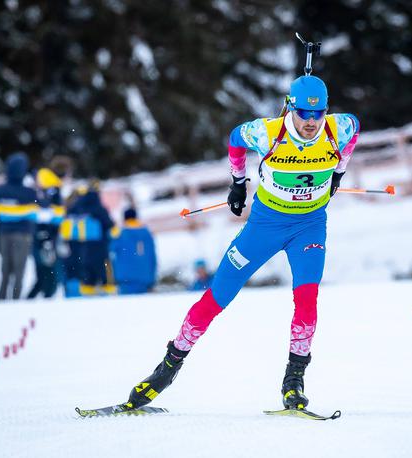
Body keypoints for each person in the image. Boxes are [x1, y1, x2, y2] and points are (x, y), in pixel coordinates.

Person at [114, 74, 360, 413]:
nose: (311, 122)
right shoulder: (267, 133)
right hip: (265, 226)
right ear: (291, 107)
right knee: (219, 295)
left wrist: (338, 174)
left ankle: (294, 381)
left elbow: (354, 130)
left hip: (309, 227)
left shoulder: (339, 128)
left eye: (318, 115)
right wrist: (238, 182)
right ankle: (166, 369)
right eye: (304, 113)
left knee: (306, 300)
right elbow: (234, 139)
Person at [0, 152, 38, 300]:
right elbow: (34, 217)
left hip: (4, 235)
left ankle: (1, 300)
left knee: (5, 272)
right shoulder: (29, 193)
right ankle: (15, 302)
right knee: (19, 272)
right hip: (23, 236)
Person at [27, 167, 65, 299]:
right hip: (47, 239)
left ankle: (36, 299)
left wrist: (44, 235)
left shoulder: (48, 194)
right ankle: (37, 299)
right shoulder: (51, 193)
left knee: (47, 274)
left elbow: (49, 218)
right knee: (46, 274)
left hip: (45, 239)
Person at [72, 181, 115, 296]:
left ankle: (87, 289)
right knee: (105, 266)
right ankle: (108, 288)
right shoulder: (98, 206)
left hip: (84, 244)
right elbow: (108, 223)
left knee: (87, 267)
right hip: (100, 244)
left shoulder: (78, 205)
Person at [109, 208, 157, 295]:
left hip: (125, 278)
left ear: (124, 218)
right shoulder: (146, 233)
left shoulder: (120, 233)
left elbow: (110, 249)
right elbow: (152, 256)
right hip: (145, 278)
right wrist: (152, 278)